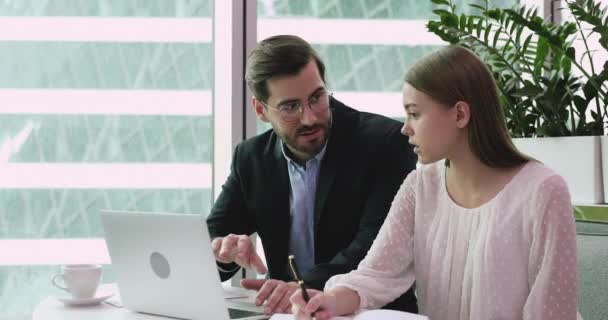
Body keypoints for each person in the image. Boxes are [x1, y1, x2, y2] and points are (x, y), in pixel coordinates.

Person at [290, 45, 578, 320]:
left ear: (460, 114)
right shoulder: (420, 187)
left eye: (414, 113)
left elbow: (552, 310)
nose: (405, 128)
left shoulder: (543, 191)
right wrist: (328, 301)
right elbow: (377, 274)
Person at [206, 35, 419, 315]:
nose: (309, 118)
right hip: (291, 314)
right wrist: (223, 253)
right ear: (260, 110)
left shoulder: (385, 143)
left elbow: (373, 249)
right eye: (290, 107)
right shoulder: (251, 159)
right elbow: (211, 238)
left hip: (364, 313)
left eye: (317, 97)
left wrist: (300, 286)